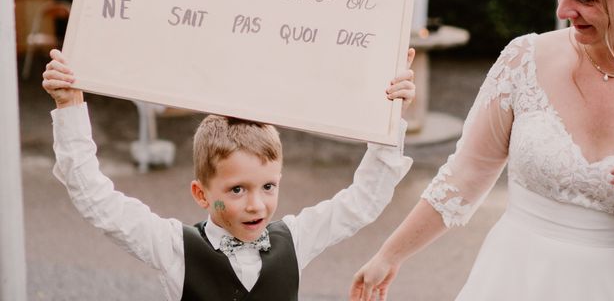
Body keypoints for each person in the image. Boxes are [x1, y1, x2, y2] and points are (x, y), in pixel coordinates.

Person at [349, 0, 614, 301]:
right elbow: (464, 176)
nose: (562, 9)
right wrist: (390, 254)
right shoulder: (525, 60)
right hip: (514, 280)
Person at [42, 47, 416, 301]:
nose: (257, 204)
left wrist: (391, 115)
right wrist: (70, 107)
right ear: (202, 194)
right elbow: (95, 198)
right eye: (237, 190)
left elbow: (364, 199)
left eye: (268, 186)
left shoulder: (297, 239)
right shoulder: (174, 247)